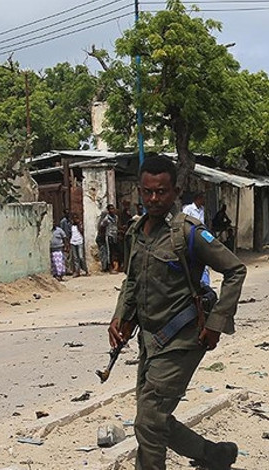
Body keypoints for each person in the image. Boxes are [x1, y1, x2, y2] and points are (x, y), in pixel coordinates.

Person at [108, 155, 246, 470]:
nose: (154, 199)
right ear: (139, 192)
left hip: (184, 337)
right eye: (147, 192)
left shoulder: (188, 232)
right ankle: (215, 456)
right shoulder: (136, 232)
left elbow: (235, 270)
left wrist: (217, 323)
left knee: (148, 419)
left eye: (162, 192)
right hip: (151, 341)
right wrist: (120, 317)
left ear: (175, 191)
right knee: (153, 419)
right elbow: (132, 280)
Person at [183, 192, 210, 286]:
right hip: (192, 236)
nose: (204, 200)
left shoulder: (202, 209)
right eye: (203, 198)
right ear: (198, 198)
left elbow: (202, 224)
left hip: (202, 234)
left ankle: (205, 284)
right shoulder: (188, 209)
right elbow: (184, 223)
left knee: (205, 260)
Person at [99, 204, 119, 273]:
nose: (112, 210)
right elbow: (101, 226)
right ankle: (110, 268)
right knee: (109, 252)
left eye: (113, 209)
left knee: (115, 252)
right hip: (109, 236)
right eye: (110, 209)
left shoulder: (116, 217)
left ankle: (115, 266)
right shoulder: (106, 219)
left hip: (115, 236)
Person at [68, 212, 88, 277]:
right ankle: (77, 271)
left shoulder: (79, 225)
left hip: (79, 242)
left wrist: (78, 224)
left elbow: (82, 231)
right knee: (75, 258)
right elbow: (69, 234)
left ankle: (85, 270)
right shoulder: (70, 225)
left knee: (81, 256)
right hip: (73, 242)